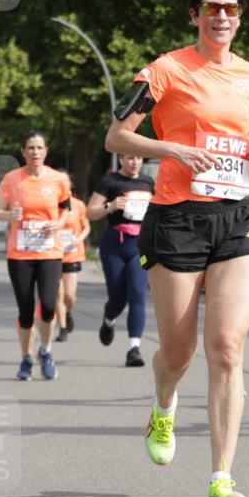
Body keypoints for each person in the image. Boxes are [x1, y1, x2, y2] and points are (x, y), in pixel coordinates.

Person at [106, 0, 249, 497]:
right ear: (194, 14)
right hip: (177, 218)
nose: (221, 16)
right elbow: (117, 137)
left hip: (239, 217)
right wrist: (172, 150)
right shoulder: (165, 69)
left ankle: (223, 480)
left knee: (227, 348)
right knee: (179, 353)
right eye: (211, 7)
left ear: (240, 15)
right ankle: (163, 406)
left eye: (230, 8)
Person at [0, 132, 70, 381]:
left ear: (46, 151)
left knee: (48, 305)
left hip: (50, 251)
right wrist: (9, 216)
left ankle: (45, 351)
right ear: (23, 151)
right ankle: (26, 357)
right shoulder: (12, 179)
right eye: (30, 148)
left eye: (39, 147)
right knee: (26, 310)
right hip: (20, 254)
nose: (35, 152)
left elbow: (66, 209)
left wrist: (59, 223)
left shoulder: (58, 179)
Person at [87, 154, 155, 366]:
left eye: (138, 158)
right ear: (121, 159)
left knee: (137, 293)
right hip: (115, 244)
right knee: (117, 298)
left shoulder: (148, 182)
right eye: (129, 158)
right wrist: (110, 206)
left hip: (140, 245)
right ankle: (109, 320)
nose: (134, 162)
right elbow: (90, 212)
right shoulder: (110, 182)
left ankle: (134, 348)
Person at [55, 176, 90, 342]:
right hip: (53, 254)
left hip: (72, 254)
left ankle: (67, 313)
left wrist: (78, 239)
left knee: (69, 295)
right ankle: (62, 328)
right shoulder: (50, 203)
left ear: (70, 184)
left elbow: (86, 227)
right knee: (58, 294)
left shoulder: (78, 205)